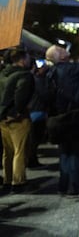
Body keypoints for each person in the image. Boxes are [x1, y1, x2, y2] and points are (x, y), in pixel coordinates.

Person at [45, 32, 79, 197]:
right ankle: (76, 187)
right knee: (76, 154)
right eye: (61, 50)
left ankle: (63, 186)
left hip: (60, 118)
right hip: (74, 118)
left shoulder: (51, 72)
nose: (64, 50)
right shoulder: (68, 70)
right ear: (60, 57)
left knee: (65, 153)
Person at [0, 48, 34, 194]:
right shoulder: (25, 76)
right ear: (21, 59)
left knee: (7, 151)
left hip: (2, 118)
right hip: (17, 118)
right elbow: (21, 97)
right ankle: (18, 182)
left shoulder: (2, 73)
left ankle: (7, 180)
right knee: (19, 151)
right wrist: (16, 112)